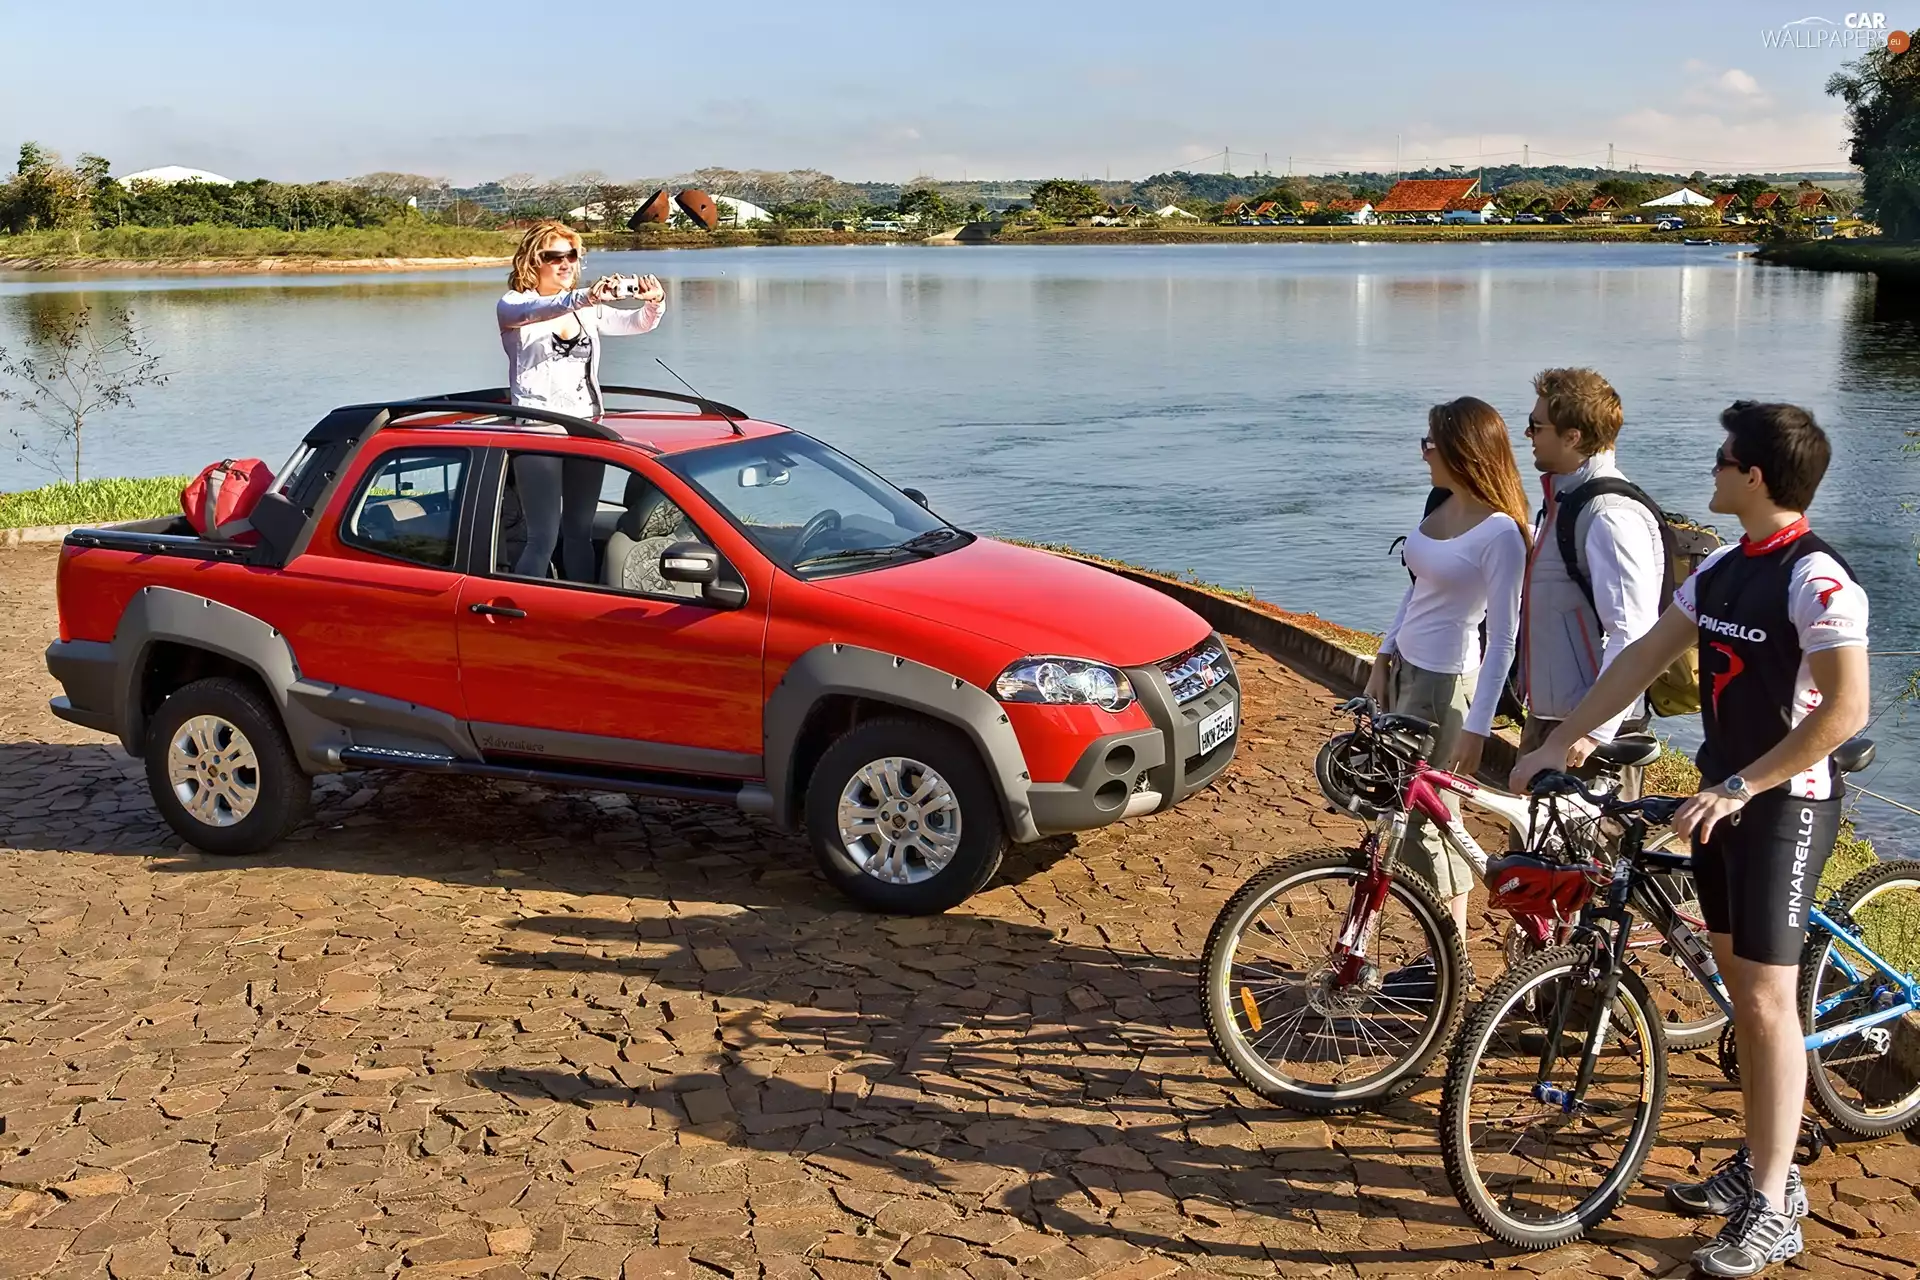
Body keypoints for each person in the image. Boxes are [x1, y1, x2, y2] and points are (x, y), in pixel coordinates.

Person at [1513, 402, 1869, 1278]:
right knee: (1742, 992)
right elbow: (1638, 658)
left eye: (1721, 459)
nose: (1708, 469)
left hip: (1783, 802)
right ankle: (1761, 1161)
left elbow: (1846, 710)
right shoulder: (1718, 569)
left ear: (1753, 477)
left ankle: (1778, 1205)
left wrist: (1745, 784)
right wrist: (1564, 740)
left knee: (1764, 1004)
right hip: (1719, 795)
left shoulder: (1817, 580)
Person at [1367, 397, 1529, 934]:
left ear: (1463, 449)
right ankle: (1444, 951)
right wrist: (1382, 657)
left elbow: (1504, 638)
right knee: (1414, 811)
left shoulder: (1500, 532)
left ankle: (1447, 953)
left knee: (1425, 818)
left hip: (1447, 684)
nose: (1423, 453)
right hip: (1408, 669)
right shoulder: (1440, 502)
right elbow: (1416, 591)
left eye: (1430, 443)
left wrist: (1477, 729)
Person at [1516, 368, 1666, 792]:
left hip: (1587, 736)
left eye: (1536, 425)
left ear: (1573, 437)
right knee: (1530, 855)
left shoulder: (1609, 515)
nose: (1528, 434)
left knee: (1583, 857)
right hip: (1554, 720)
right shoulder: (1563, 501)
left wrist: (1593, 733)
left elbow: (1633, 632)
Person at [496, 220, 667, 582]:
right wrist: (588, 296)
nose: (566, 264)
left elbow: (637, 323)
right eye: (554, 256)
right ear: (532, 261)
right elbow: (537, 312)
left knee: (579, 531)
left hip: (586, 426)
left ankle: (581, 612)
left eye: (572, 256)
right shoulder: (514, 305)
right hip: (538, 429)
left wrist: (654, 302)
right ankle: (529, 612)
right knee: (541, 537)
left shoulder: (586, 309)